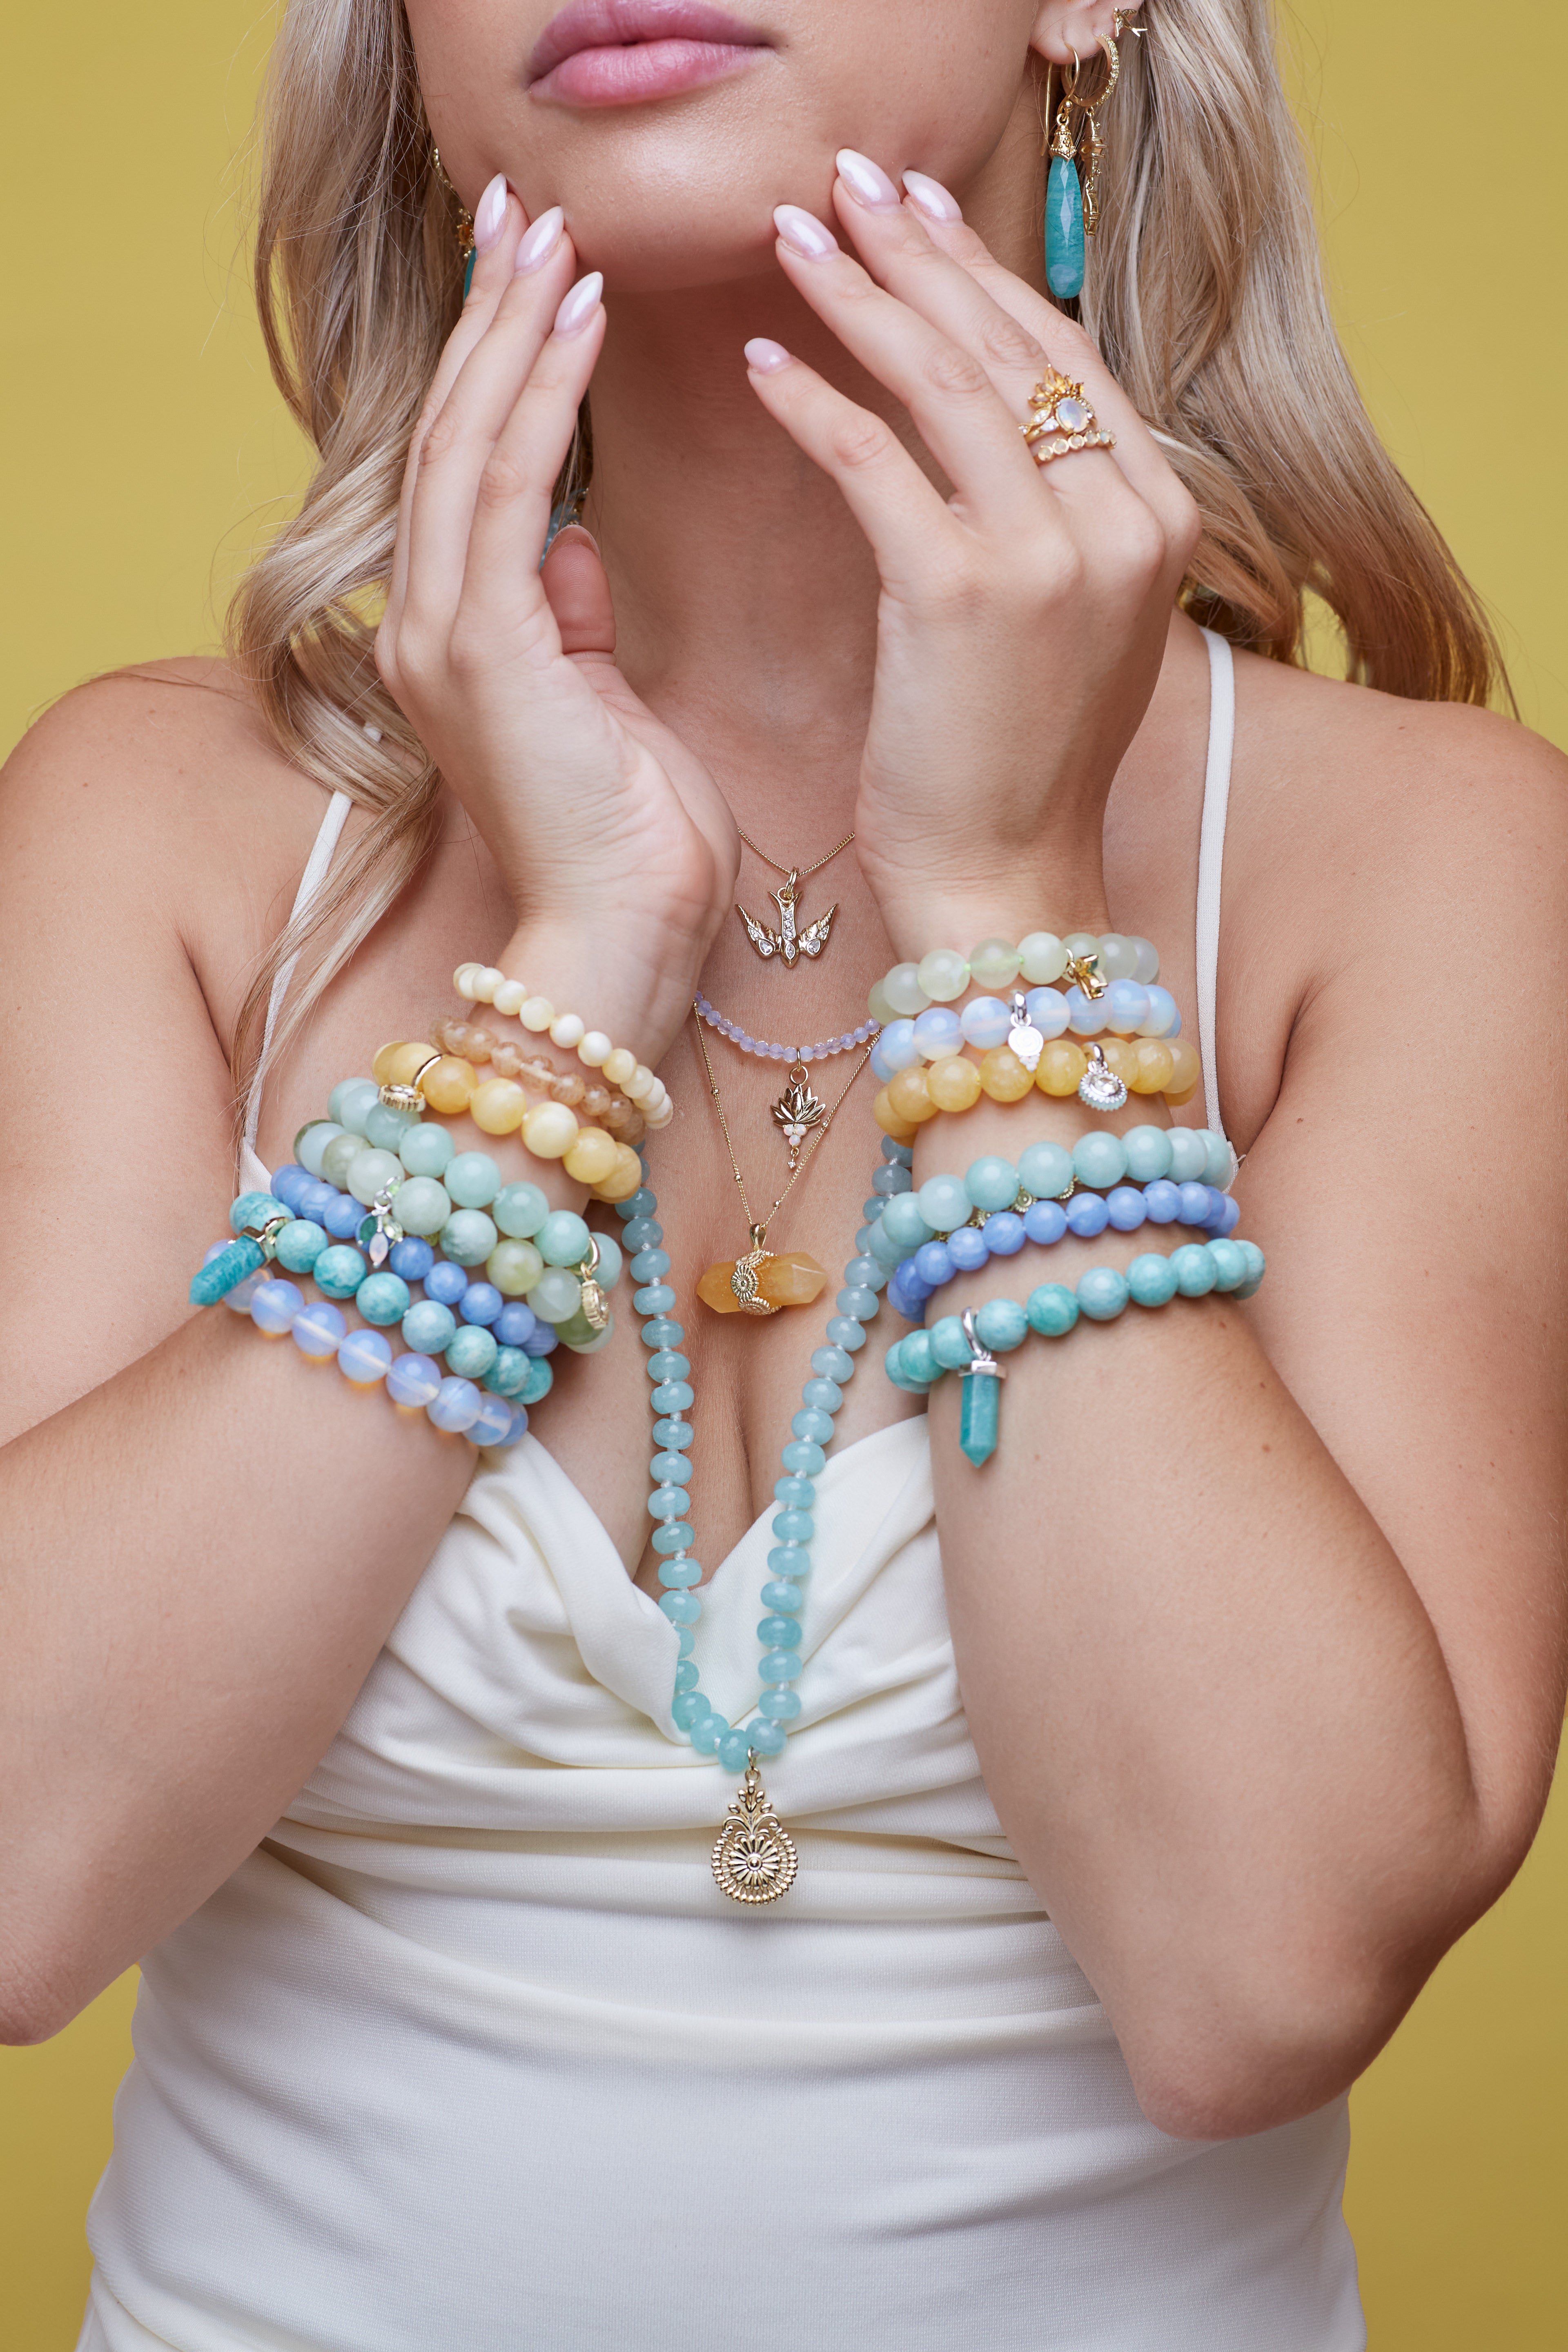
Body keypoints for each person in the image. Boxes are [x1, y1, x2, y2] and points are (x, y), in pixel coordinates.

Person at [3, 0, 1564, 2345]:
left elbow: (1254, 1976)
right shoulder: (174, 824)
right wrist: (571, 973)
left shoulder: (1432, 863)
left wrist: (1007, 906)